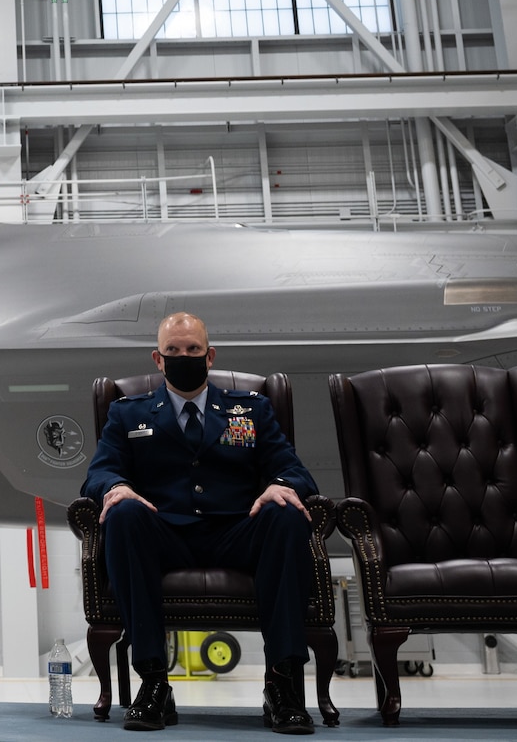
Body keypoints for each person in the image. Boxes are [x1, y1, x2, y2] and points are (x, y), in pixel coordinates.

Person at [81, 312, 318, 735]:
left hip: (236, 531)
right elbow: (98, 474)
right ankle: (154, 682)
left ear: (210, 357)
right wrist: (116, 486)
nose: (183, 357)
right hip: (164, 532)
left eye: (192, 350)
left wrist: (279, 485)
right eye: (173, 351)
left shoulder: (251, 409)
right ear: (158, 359)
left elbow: (295, 470)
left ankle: (281, 684)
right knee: (123, 514)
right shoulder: (127, 413)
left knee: (285, 513)